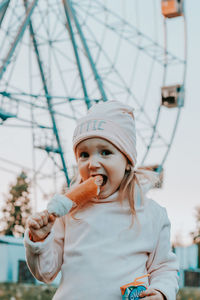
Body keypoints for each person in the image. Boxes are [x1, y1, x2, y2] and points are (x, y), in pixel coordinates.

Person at [24, 100, 179, 300]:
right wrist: (39, 240)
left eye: (105, 152)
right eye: (84, 155)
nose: (93, 163)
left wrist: (160, 292)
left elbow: (165, 268)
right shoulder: (69, 215)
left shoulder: (152, 214)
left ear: (127, 161)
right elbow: (45, 273)